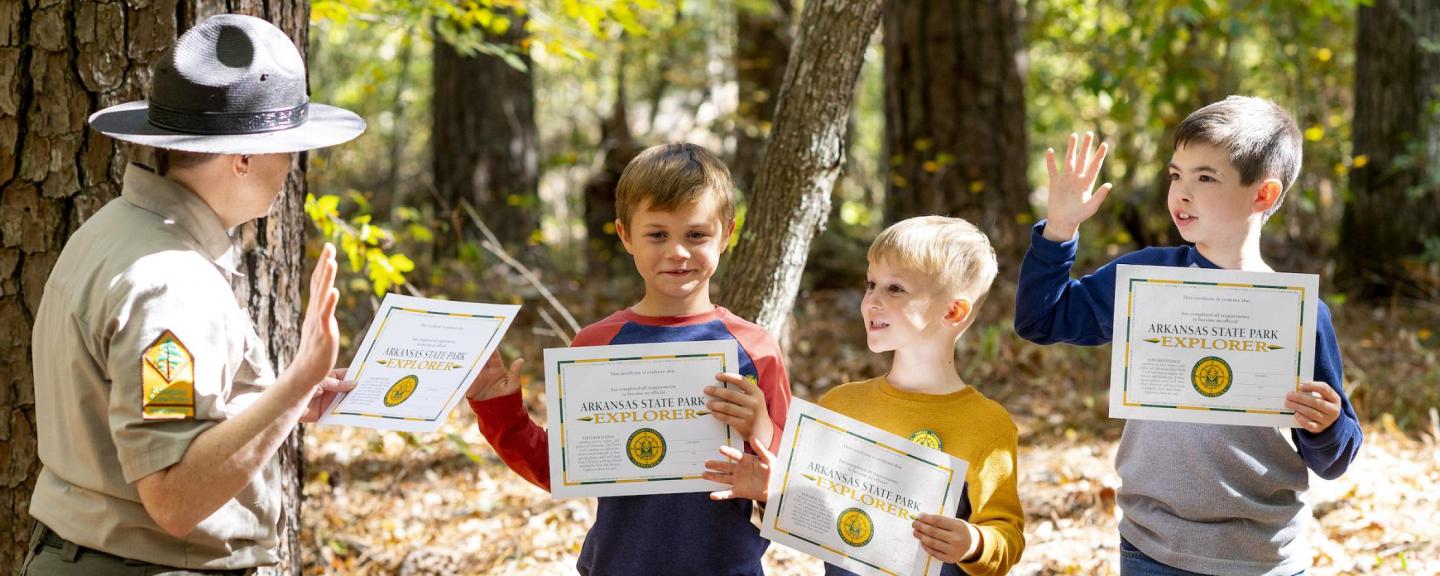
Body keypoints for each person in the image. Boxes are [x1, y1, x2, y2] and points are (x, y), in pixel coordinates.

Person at [24, 14, 366, 574]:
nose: (291, 167)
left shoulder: (116, 229)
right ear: (245, 157)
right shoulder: (171, 283)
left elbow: (174, 424)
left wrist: (281, 402)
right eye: (288, 148)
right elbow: (173, 497)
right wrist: (302, 376)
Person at [1014, 96, 1363, 575]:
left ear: (1262, 194)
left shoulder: (1297, 313)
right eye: (1176, 175)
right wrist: (1059, 229)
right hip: (1152, 546)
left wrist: (1325, 426)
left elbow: (1335, 458)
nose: (1180, 193)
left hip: (1261, 556)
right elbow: (1043, 319)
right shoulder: (1147, 277)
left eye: (1205, 178)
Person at [464, 143, 793, 575]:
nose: (677, 252)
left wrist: (762, 430)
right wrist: (501, 412)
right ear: (625, 235)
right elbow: (558, 469)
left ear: (726, 234)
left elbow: (792, 495)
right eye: (658, 235)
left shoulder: (754, 347)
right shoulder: (596, 345)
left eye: (696, 235)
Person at [708, 216, 1025, 575]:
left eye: (895, 289)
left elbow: (1006, 537)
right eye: (871, 284)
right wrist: (772, 491)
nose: (871, 301)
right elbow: (813, 515)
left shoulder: (987, 426)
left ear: (953, 310)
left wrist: (973, 542)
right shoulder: (840, 405)